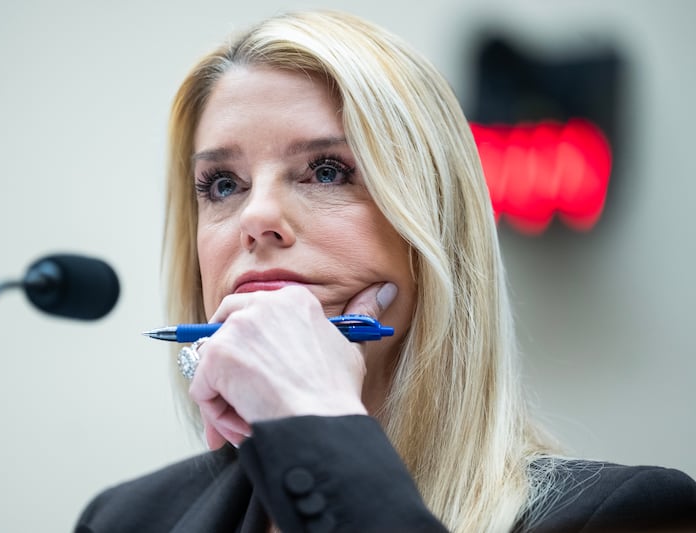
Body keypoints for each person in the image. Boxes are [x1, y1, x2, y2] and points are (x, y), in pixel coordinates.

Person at [75, 9, 696, 533]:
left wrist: (314, 422)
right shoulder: (125, 518)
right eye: (222, 184)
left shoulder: (626, 514)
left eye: (326, 171)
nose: (256, 216)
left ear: (434, 231)